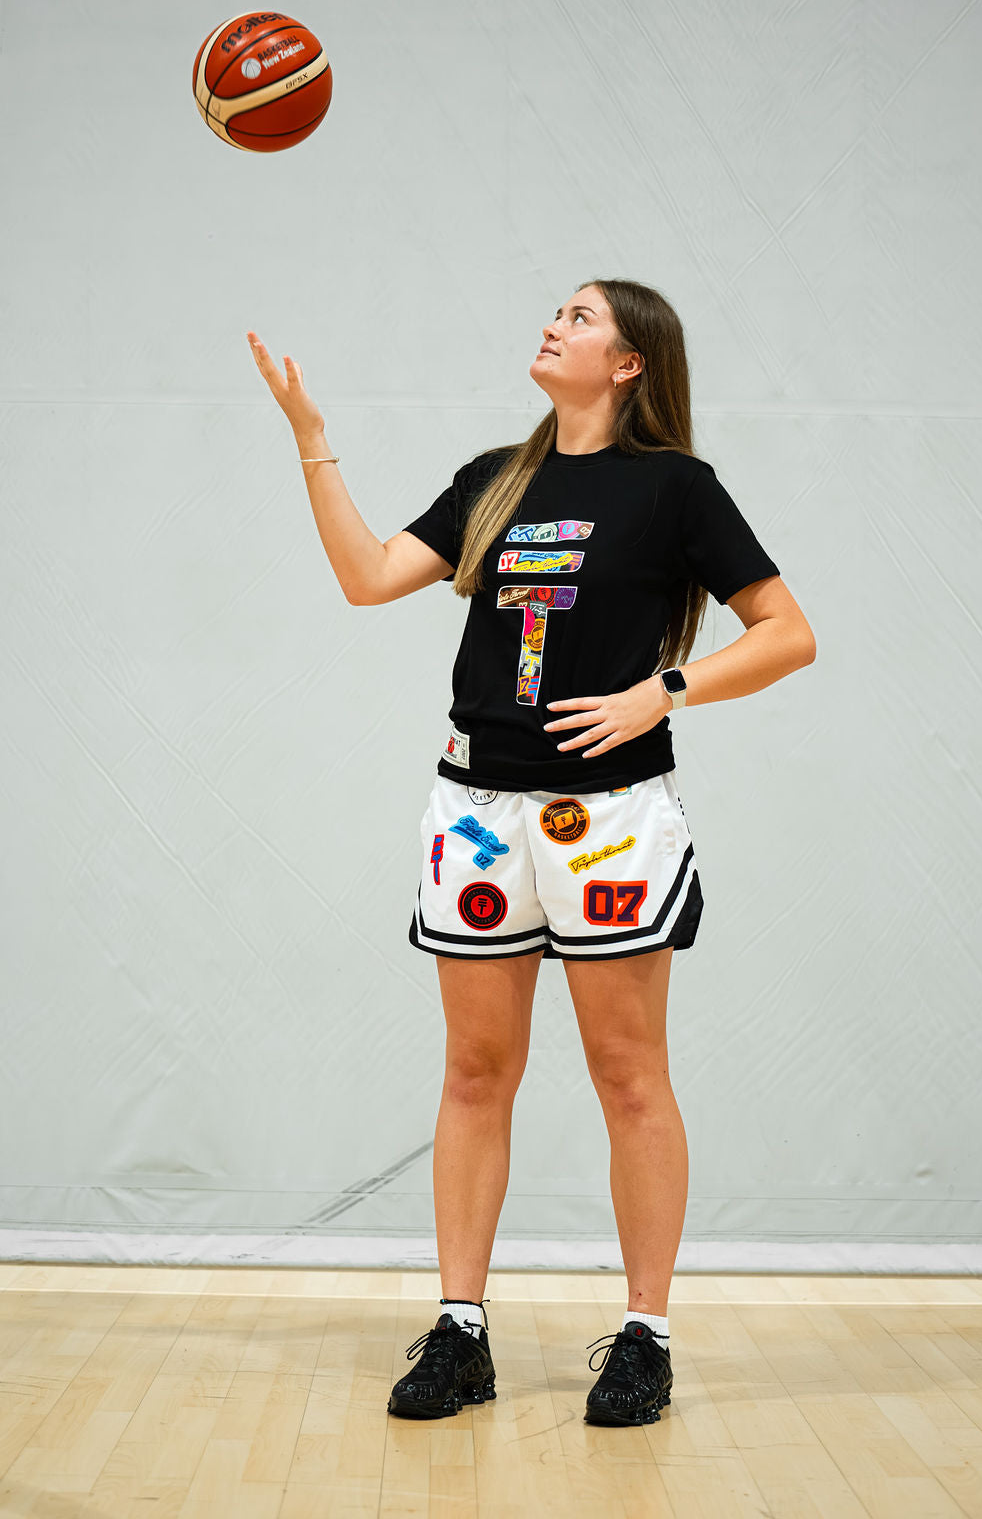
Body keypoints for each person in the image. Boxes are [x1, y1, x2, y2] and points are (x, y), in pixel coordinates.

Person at [247, 277, 816, 1427]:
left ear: (628, 364)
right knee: (472, 1073)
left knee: (627, 1076)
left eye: (582, 317)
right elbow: (365, 582)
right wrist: (313, 443)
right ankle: (461, 1332)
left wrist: (663, 692)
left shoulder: (674, 489)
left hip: (607, 815)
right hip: (475, 809)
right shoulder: (495, 479)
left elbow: (787, 634)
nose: (554, 324)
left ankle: (646, 1336)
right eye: (556, 311)